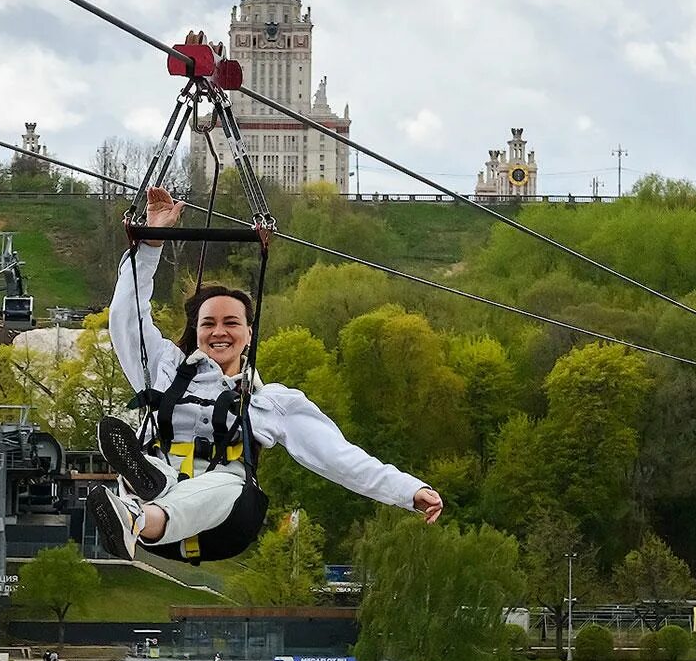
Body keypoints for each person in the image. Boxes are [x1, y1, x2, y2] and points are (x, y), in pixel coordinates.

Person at [87, 187, 443, 560]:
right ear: (197, 332)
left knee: (226, 483)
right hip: (159, 515)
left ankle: (140, 509)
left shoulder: (270, 402)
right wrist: (151, 242)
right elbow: (126, 318)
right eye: (208, 323)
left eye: (230, 323)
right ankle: (143, 496)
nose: (219, 332)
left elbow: (339, 457)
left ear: (249, 334)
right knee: (159, 468)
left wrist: (407, 491)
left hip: (226, 521)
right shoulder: (164, 369)